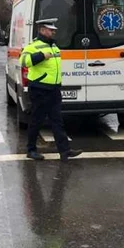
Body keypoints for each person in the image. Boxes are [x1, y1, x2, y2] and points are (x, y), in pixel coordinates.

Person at [20, 18, 82, 162]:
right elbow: (23, 61)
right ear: (42, 30)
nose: (54, 31)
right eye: (50, 30)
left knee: (57, 121)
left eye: (54, 30)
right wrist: (41, 56)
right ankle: (31, 150)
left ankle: (65, 151)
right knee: (37, 120)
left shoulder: (54, 46)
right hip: (39, 89)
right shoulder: (33, 46)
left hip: (53, 89)